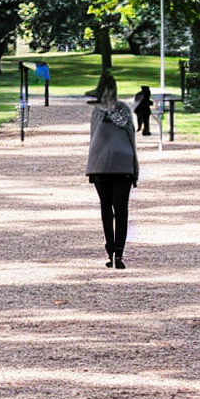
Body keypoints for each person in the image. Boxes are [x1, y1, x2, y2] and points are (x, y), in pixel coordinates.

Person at [85, 71, 139, 269]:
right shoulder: (124, 110)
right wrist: (135, 169)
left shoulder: (97, 112)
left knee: (106, 208)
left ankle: (110, 251)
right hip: (123, 164)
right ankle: (119, 253)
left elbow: (93, 140)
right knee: (122, 209)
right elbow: (132, 139)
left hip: (100, 166)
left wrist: (91, 166)